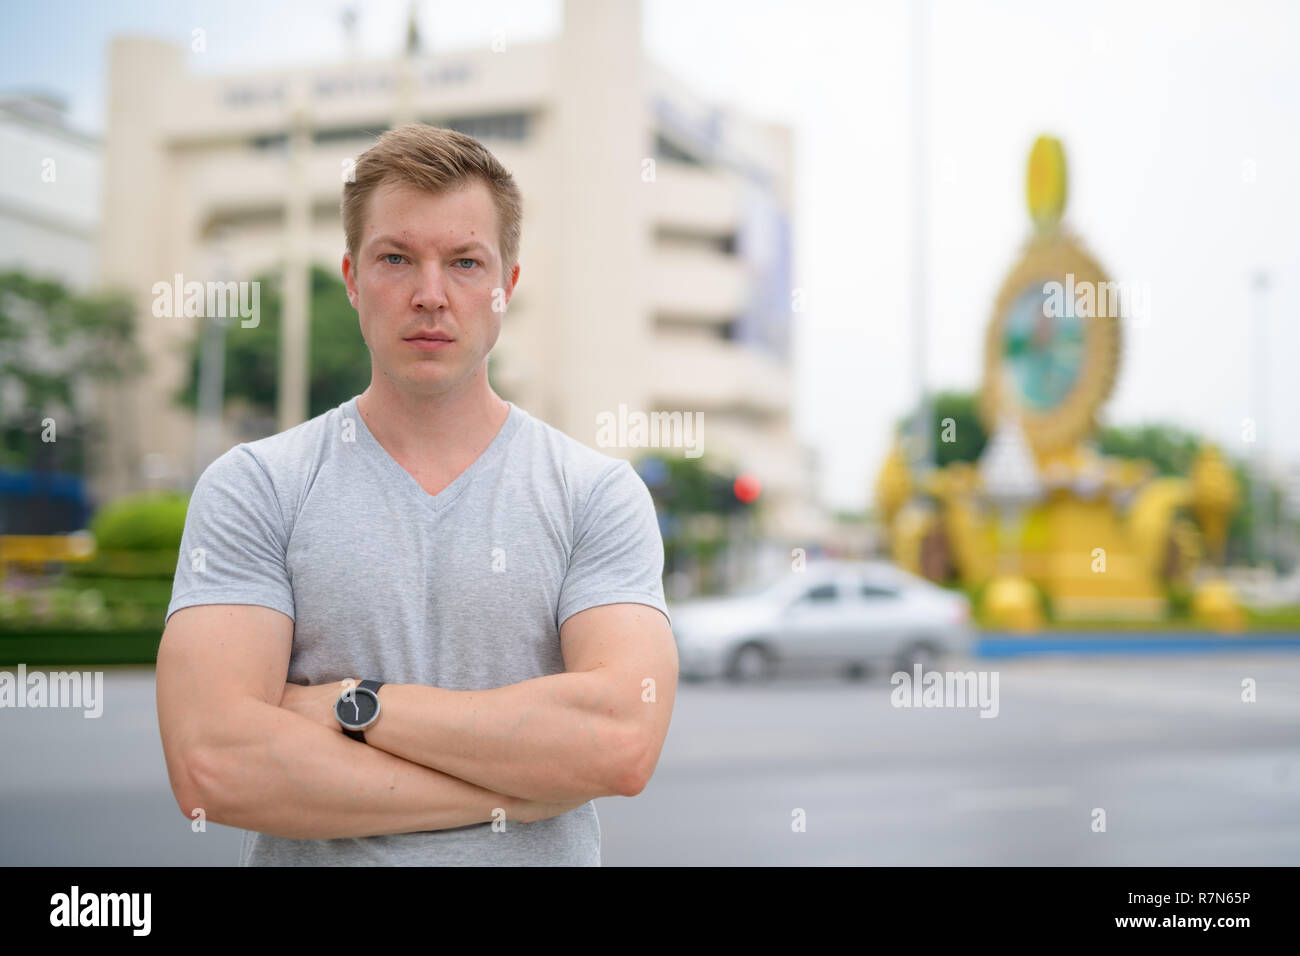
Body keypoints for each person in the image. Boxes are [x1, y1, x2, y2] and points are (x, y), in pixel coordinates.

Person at [156, 124, 678, 866]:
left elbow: (620, 742)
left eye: (465, 262)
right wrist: (512, 791)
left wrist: (352, 706)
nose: (430, 295)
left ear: (508, 287)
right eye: (396, 258)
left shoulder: (595, 494)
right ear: (351, 278)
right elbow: (215, 764)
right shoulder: (256, 486)